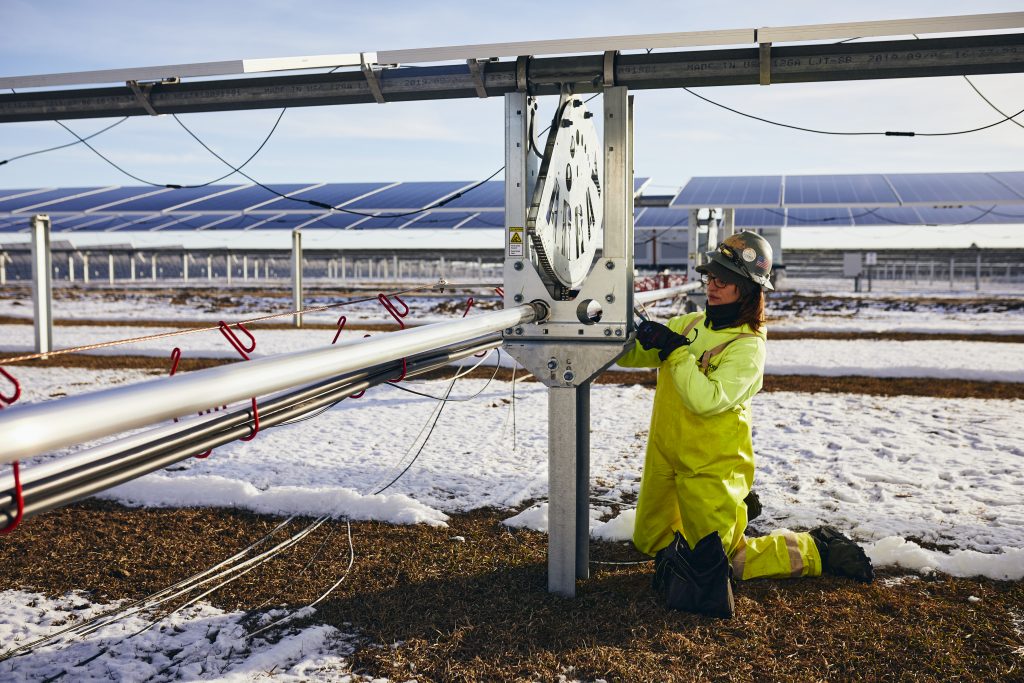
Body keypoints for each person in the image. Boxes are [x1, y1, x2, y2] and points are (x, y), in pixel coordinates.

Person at [618, 231, 873, 619]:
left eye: (724, 280)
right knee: (650, 540)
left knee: (723, 562)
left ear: (748, 289)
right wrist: (622, 333)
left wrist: (674, 352)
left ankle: (815, 550)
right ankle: (727, 518)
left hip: (711, 465)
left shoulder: (747, 347)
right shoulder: (689, 324)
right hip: (666, 454)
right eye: (710, 277)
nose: (713, 286)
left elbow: (705, 401)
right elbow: (631, 357)